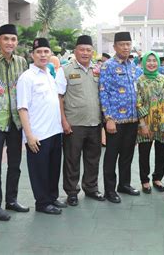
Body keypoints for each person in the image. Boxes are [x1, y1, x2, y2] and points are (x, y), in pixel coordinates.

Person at [0, 24, 29, 222]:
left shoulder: (22, 62)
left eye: (13, 39)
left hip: (16, 121)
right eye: (5, 39)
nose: (9, 42)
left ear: (16, 42)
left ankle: (11, 200)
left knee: (15, 164)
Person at [17, 38, 66, 215]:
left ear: (50, 54)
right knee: (40, 172)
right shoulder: (26, 78)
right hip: (38, 135)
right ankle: (42, 203)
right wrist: (29, 135)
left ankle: (52, 197)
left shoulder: (49, 75)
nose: (43, 55)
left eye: (46, 51)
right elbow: (22, 108)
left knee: (53, 169)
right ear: (32, 55)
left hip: (54, 131)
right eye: (39, 52)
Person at [56, 35, 106, 206]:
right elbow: (59, 98)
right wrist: (63, 121)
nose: (85, 53)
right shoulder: (65, 70)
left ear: (92, 52)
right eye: (82, 49)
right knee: (72, 159)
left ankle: (91, 188)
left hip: (94, 122)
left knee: (93, 158)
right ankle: (71, 191)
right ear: (75, 51)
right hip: (74, 124)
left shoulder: (98, 70)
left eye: (88, 50)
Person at [99, 31, 142, 203]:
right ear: (115, 46)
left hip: (132, 120)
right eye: (122, 44)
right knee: (111, 156)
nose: (125, 47)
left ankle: (124, 184)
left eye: (128, 44)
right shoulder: (107, 66)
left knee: (127, 155)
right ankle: (110, 190)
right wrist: (108, 118)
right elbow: (103, 92)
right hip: (115, 121)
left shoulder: (133, 66)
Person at [136, 51, 164, 194]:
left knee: (161, 153)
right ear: (144, 63)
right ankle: (145, 180)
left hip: (162, 124)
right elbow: (138, 103)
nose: (151, 63)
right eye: (148, 61)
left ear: (158, 62)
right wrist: (143, 125)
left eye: (154, 60)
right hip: (145, 124)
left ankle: (157, 178)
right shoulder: (139, 81)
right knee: (144, 153)